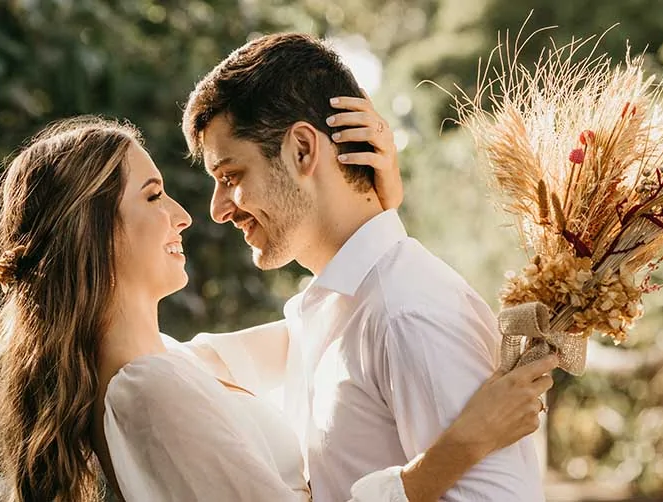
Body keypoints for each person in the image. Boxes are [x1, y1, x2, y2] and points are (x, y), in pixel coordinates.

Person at [0, 114, 556, 501]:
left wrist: (369, 211)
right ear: (93, 231)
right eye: (153, 195)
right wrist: (455, 452)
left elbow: (316, 324)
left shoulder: (174, 366)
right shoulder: (148, 391)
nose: (185, 214)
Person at [182, 33, 547, 501]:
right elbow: (172, 366)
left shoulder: (408, 314)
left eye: (231, 176)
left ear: (301, 151)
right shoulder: (325, 310)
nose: (217, 209)